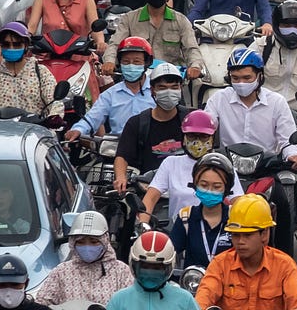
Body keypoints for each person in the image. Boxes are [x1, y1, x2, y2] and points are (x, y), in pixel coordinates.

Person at [195, 194, 297, 309]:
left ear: (264, 234)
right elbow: (202, 300)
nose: (240, 241)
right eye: (235, 235)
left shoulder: (284, 266)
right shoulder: (220, 265)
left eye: (247, 235)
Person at [205, 48, 297, 170]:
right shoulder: (219, 98)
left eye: (247, 78)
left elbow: (287, 139)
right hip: (227, 168)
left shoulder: (277, 102)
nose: (241, 83)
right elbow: (205, 128)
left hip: (266, 169)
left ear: (260, 76)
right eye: (235, 78)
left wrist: (293, 155)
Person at [103, 0, 204, 77]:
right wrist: (109, 61)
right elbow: (115, 44)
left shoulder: (181, 21)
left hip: (171, 81)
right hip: (138, 79)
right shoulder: (129, 19)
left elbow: (191, 49)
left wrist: (195, 66)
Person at [117, 63, 191, 193]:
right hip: (148, 187)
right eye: (162, 88)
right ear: (152, 90)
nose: (168, 92)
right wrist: (121, 177)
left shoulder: (191, 120)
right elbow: (122, 156)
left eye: (174, 87)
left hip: (186, 187)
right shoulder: (137, 123)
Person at [34, 212, 134, 305]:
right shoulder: (62, 272)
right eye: (81, 242)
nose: (87, 247)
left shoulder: (121, 271)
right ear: (73, 243)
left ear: (105, 241)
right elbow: (42, 302)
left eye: (94, 242)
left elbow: (132, 303)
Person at [66, 37, 156, 141]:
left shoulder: (157, 92)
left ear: (147, 63)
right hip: (118, 149)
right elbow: (93, 117)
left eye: (136, 62)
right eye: (126, 62)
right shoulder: (110, 94)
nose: (131, 66)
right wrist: (78, 130)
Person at [165, 151, 244, 268]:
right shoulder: (186, 216)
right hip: (193, 282)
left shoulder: (237, 217)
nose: (209, 190)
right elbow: (169, 253)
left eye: (216, 187)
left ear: (227, 189)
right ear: (195, 185)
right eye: (204, 185)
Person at [0, 23, 54, 117]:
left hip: (34, 129)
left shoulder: (41, 72)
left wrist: (54, 117)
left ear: (26, 45)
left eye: (17, 44)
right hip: (2, 130)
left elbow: (54, 102)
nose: (11, 48)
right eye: (6, 44)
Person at [108, 232, 200, 310]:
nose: (150, 273)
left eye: (157, 268)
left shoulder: (185, 300)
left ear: (169, 266)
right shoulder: (119, 300)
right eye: (144, 266)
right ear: (133, 265)